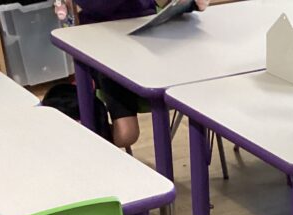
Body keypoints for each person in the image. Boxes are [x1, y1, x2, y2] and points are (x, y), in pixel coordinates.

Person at [75, 0, 209, 149]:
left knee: (202, 90)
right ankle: (86, 148)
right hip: (105, 47)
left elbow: (162, 4)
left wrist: (189, 3)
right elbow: (95, 6)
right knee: (127, 133)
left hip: (150, 37)